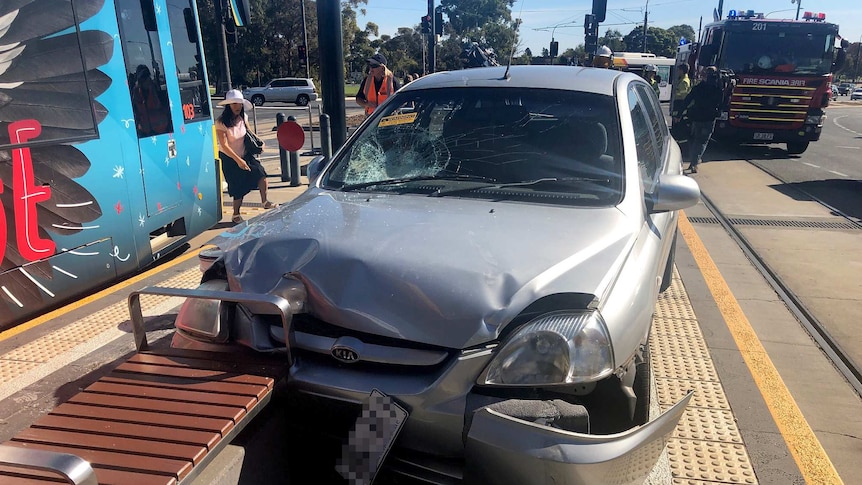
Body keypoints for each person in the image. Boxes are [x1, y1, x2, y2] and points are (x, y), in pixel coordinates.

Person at [215, 89, 277, 223]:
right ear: (228, 106)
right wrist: (238, 161)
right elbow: (224, 145)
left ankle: (265, 201)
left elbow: (249, 132)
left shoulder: (243, 117)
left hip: (245, 154)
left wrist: (260, 142)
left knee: (261, 174)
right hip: (230, 158)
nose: (237, 107)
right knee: (238, 187)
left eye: (239, 103)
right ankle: (236, 215)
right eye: (234, 104)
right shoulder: (221, 122)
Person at [674, 66, 723, 174]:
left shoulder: (698, 87)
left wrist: (679, 114)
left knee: (695, 139)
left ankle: (694, 159)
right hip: (709, 119)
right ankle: (694, 162)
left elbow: (687, 99)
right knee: (703, 141)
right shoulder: (718, 88)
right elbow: (722, 103)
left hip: (697, 117)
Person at [131, 64, 171, 137]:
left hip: (162, 130)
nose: (145, 80)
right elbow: (135, 111)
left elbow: (164, 107)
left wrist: (153, 90)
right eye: (142, 78)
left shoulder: (158, 90)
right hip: (146, 132)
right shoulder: (136, 92)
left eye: (146, 77)